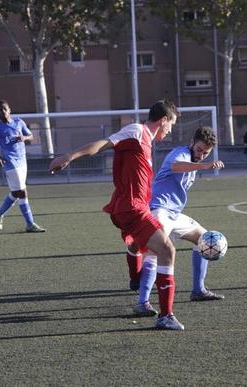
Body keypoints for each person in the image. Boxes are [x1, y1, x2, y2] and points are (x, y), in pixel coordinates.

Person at [49, 100, 186, 331]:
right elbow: (103, 144)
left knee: (147, 246)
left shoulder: (146, 140)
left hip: (133, 206)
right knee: (166, 249)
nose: (171, 129)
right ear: (163, 120)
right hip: (132, 207)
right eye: (171, 124)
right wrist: (70, 156)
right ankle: (165, 315)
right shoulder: (136, 131)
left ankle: (136, 279)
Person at [128, 126, 226, 317]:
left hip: (174, 213)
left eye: (206, 153)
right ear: (192, 143)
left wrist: (201, 163)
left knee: (205, 238)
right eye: (199, 150)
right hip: (159, 210)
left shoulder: (195, 159)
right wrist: (204, 166)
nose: (201, 155)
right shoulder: (180, 153)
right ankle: (142, 302)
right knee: (155, 252)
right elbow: (176, 166)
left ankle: (198, 290)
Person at [0, 100, 46, 233]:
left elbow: (31, 137)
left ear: (9, 110)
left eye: (4, 109)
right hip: (10, 162)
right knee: (22, 192)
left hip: (22, 161)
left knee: (16, 192)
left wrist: (24, 138)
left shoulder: (19, 122)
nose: (2, 111)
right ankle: (30, 224)